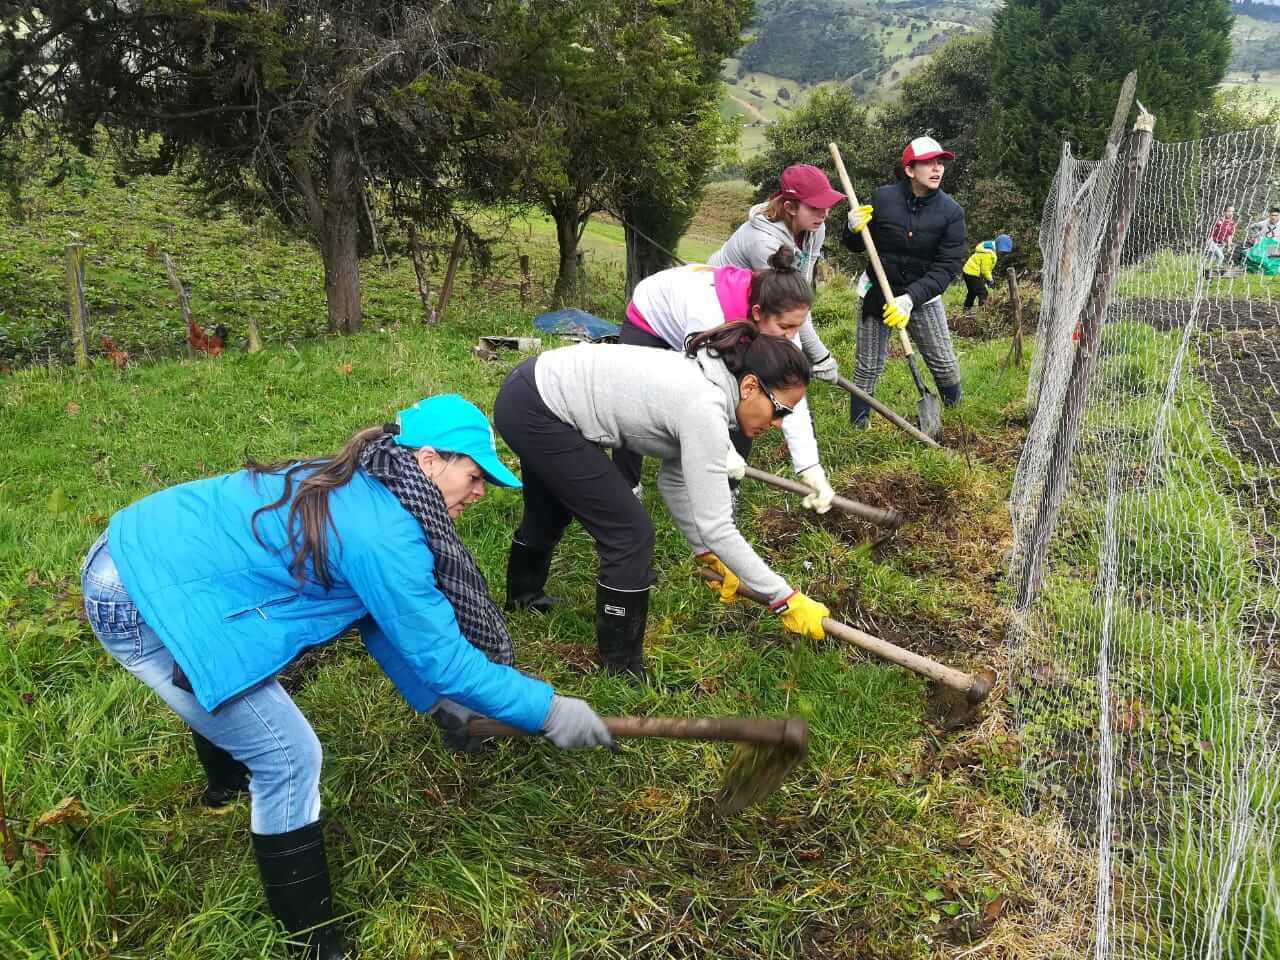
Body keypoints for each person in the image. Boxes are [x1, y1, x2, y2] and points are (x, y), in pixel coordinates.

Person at [80, 395, 614, 958]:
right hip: (140, 594)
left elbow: (380, 620)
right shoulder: (384, 533)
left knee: (231, 662)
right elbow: (445, 659)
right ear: (429, 460)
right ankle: (312, 944)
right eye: (475, 475)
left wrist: (440, 706)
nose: (480, 492)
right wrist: (549, 709)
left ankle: (226, 787)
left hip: (145, 550)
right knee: (288, 757)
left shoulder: (369, 479)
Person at [495, 325, 831, 679]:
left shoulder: (709, 390)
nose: (779, 423)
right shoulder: (705, 407)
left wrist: (706, 552)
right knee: (629, 533)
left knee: (552, 508)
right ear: (749, 387)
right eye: (779, 410)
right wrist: (784, 599)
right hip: (539, 407)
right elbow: (718, 526)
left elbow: (673, 480)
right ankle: (620, 668)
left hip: (531, 390)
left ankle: (523, 600)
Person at [612, 247, 835, 514]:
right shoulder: (708, 313)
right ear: (756, 312)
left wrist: (810, 467)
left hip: (720, 324)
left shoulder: (781, 326)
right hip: (652, 318)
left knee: (750, 397)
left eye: (796, 327)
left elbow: (789, 393)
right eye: (786, 328)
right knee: (632, 405)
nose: (792, 337)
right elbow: (695, 387)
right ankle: (626, 487)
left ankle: (727, 488)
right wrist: (719, 446)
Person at [840, 135, 967, 427]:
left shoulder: (951, 213)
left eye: (940, 163)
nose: (937, 169)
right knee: (868, 366)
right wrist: (852, 228)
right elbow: (857, 245)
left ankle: (959, 416)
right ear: (910, 170)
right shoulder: (884, 198)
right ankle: (858, 428)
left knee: (945, 364)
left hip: (922, 296)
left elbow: (946, 267)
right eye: (928, 163)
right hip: (877, 292)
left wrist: (909, 299)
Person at [708, 161, 844, 383]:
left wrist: (808, 349)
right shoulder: (763, 243)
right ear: (790, 207)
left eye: (826, 206)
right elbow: (787, 302)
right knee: (734, 371)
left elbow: (801, 286)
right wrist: (820, 356)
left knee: (782, 352)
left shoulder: (815, 228)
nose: (824, 214)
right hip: (720, 300)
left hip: (757, 296)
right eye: (815, 207)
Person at [961, 234, 1013, 308]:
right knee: (983, 292)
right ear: (999, 246)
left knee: (972, 292)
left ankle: (966, 309)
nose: (1002, 253)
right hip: (972, 273)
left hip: (968, 272)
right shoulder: (988, 253)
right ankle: (982, 312)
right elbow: (985, 270)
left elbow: (985, 269)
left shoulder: (989, 249)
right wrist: (990, 280)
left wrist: (987, 279)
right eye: (1002, 251)